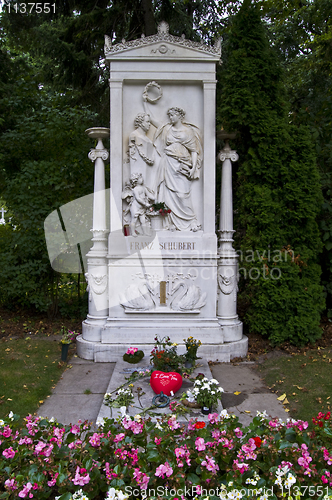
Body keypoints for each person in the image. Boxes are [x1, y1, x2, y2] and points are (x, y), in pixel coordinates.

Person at [153, 107, 202, 231]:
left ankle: (191, 220)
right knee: (168, 193)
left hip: (182, 165)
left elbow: (194, 151)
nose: (170, 118)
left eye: (173, 115)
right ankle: (169, 223)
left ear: (180, 116)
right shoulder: (167, 129)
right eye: (169, 115)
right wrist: (145, 103)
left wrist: (193, 167)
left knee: (182, 194)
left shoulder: (188, 131)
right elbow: (155, 122)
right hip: (168, 163)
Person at [128, 113, 155, 191]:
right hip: (139, 171)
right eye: (147, 122)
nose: (149, 124)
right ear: (141, 123)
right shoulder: (134, 136)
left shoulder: (147, 139)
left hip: (148, 172)